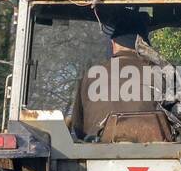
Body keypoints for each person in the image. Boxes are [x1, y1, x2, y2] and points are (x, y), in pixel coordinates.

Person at [70, 8, 164, 140]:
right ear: (145, 47)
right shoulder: (162, 76)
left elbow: (78, 128)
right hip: (157, 155)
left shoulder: (92, 75)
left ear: (113, 44)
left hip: (96, 155)